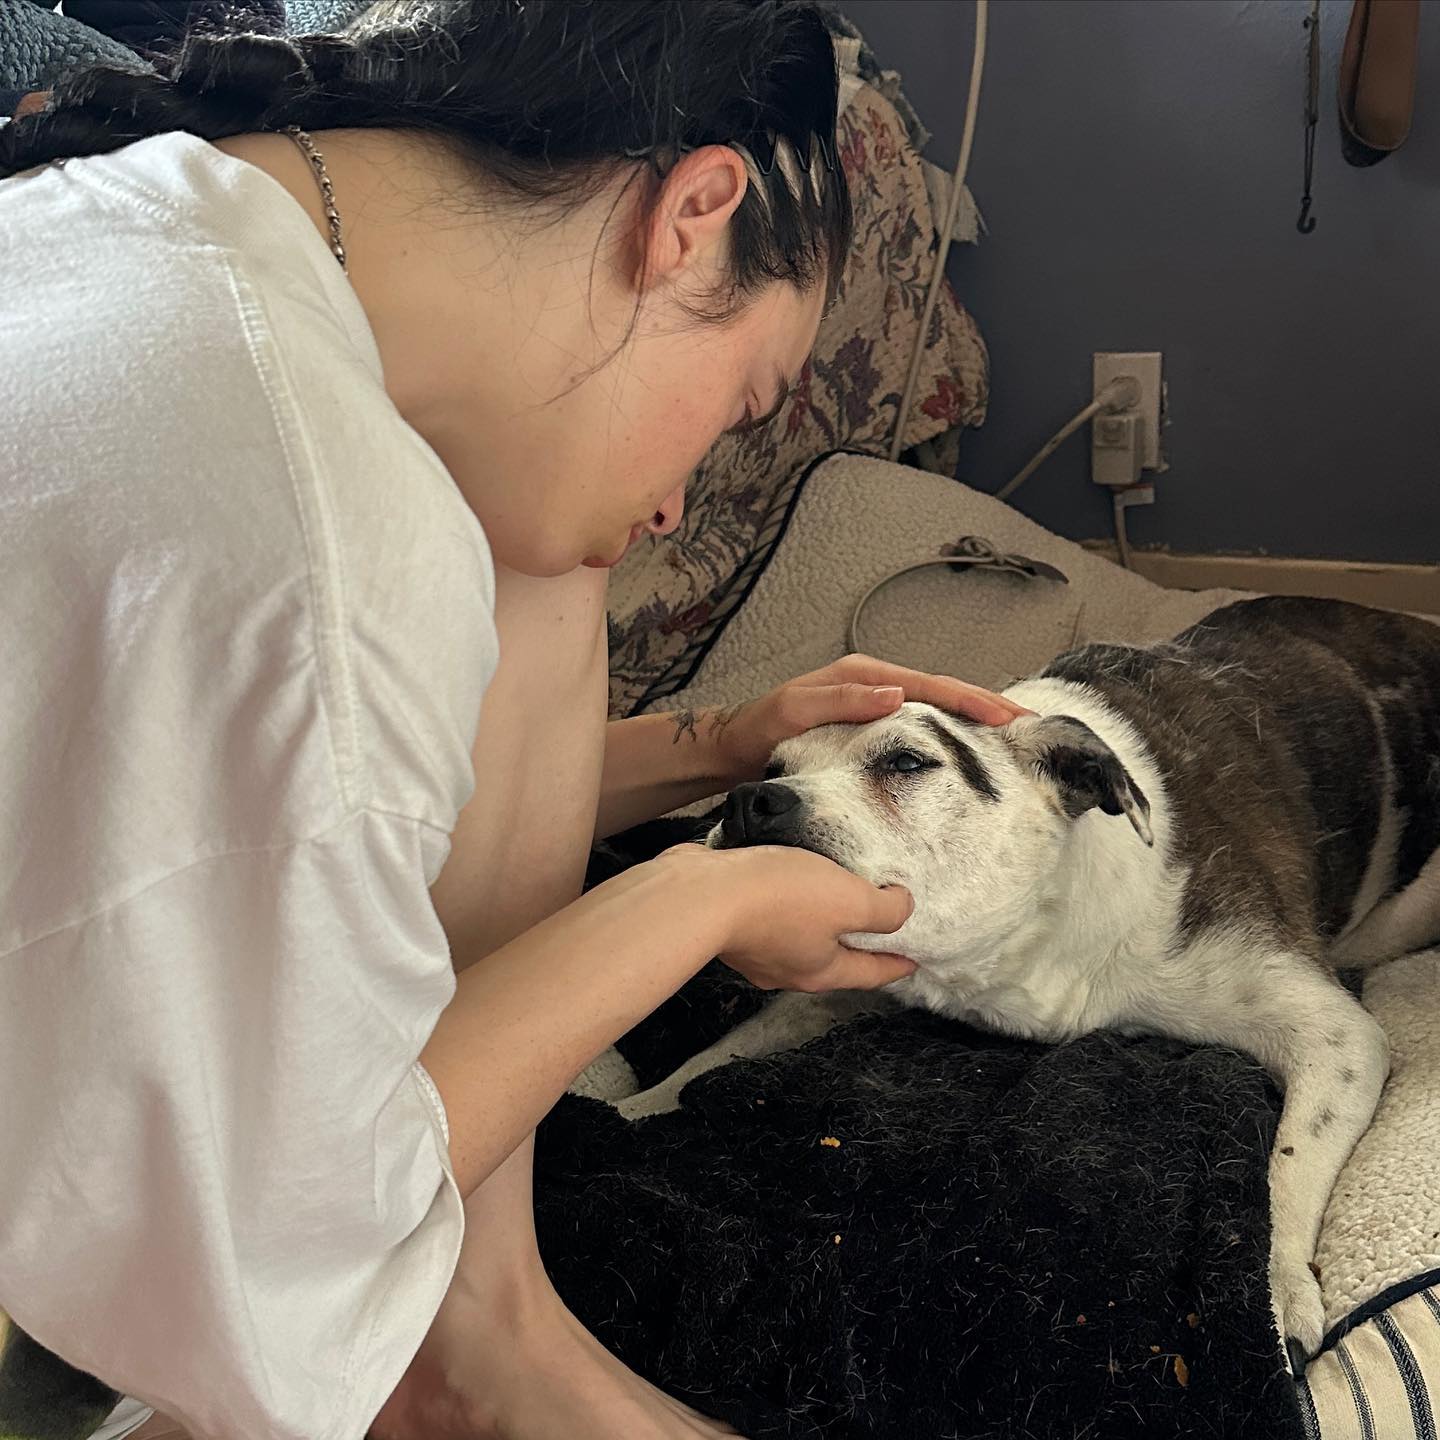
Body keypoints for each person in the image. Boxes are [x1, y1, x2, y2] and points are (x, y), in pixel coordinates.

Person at [0, 3, 1024, 1438]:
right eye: (744, 401)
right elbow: (278, 1268)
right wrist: (704, 898)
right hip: (145, 1297)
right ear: (694, 213)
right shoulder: (325, 539)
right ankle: (440, 1357)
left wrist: (722, 743)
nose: (678, 502)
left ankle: (480, 1323)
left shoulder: (138, 212)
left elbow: (315, 798)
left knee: (553, 556)